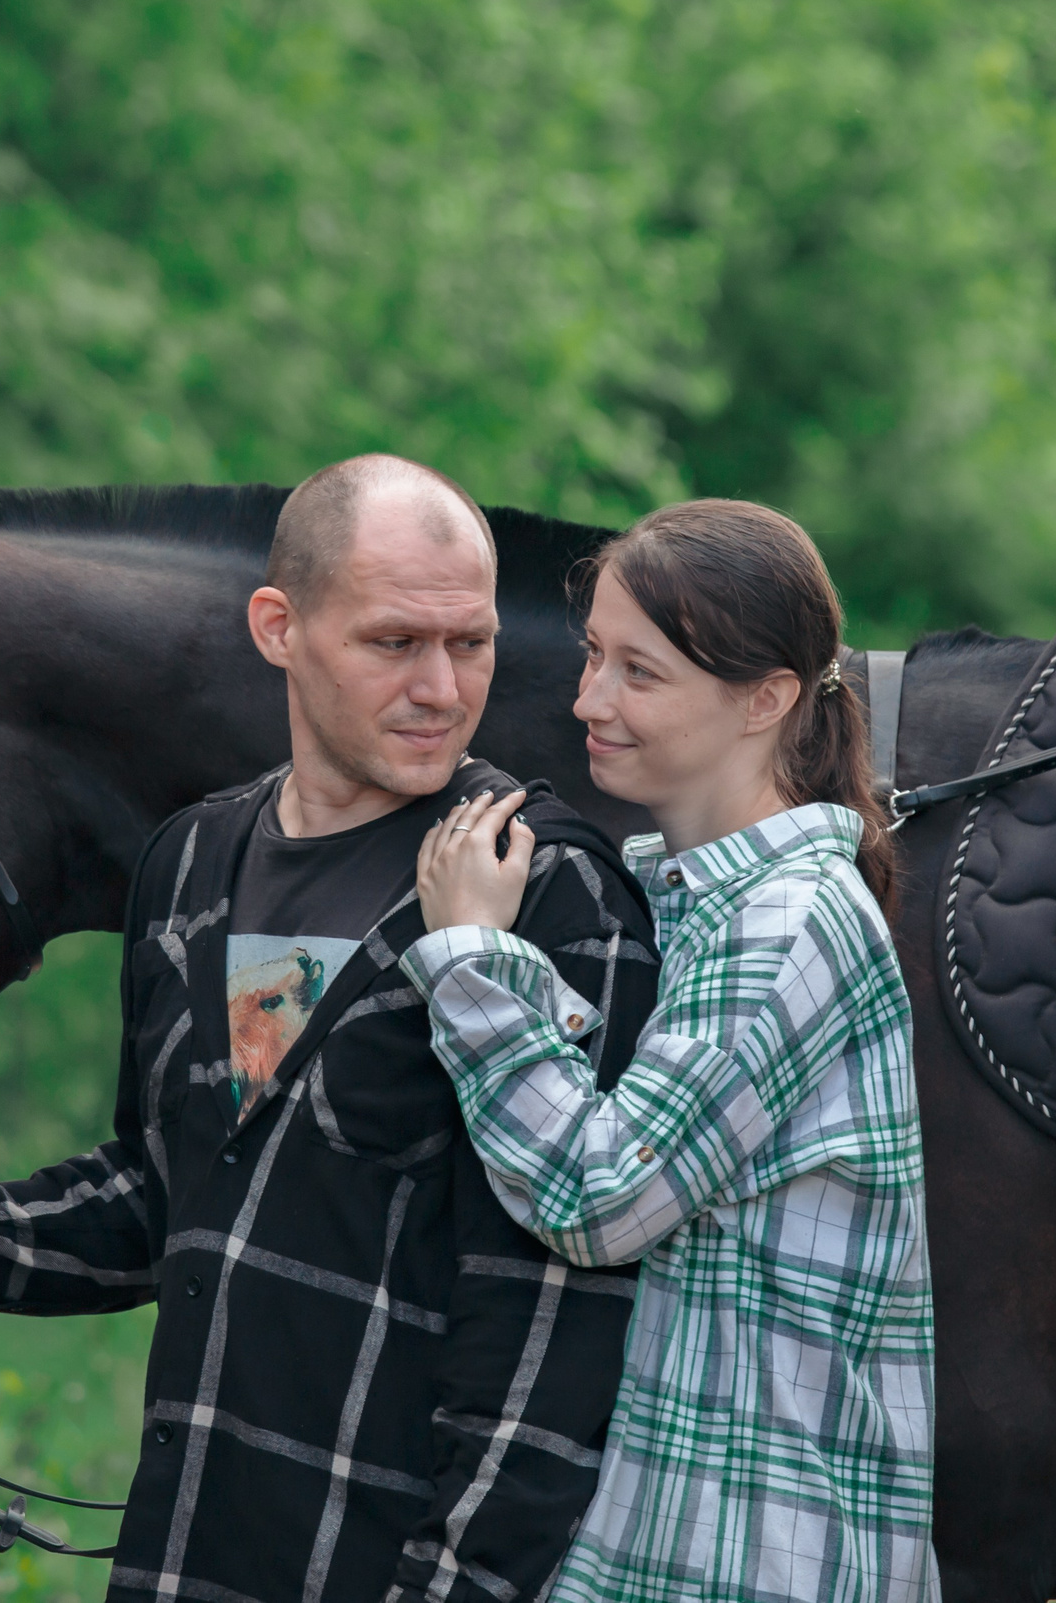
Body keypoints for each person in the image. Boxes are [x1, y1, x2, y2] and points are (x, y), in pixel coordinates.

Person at [0, 456, 661, 1603]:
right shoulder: (194, 862)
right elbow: (183, 1195)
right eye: (393, 643)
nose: (440, 687)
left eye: (468, 643)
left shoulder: (540, 894)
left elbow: (549, 1348)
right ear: (278, 628)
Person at [401, 499, 937, 1603]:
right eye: (594, 655)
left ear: (766, 700)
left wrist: (469, 957)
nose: (589, 699)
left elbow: (599, 1197)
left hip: (753, 1560)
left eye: (639, 672)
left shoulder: (787, 921)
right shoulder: (694, 905)